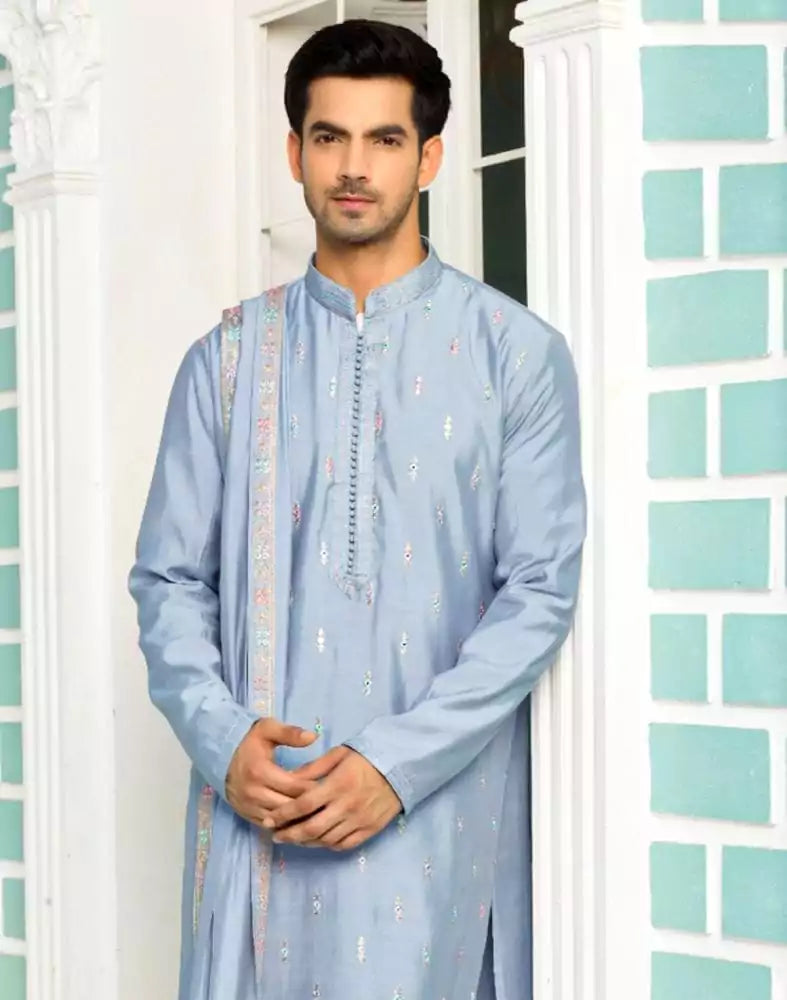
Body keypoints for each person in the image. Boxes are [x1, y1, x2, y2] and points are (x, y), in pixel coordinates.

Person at [129, 18, 586, 1000]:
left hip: (438, 811)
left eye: (384, 139)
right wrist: (221, 740)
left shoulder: (515, 354)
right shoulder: (227, 361)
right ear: (293, 153)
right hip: (261, 807)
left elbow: (539, 591)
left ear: (429, 157)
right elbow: (168, 579)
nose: (352, 167)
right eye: (328, 136)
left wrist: (393, 766)